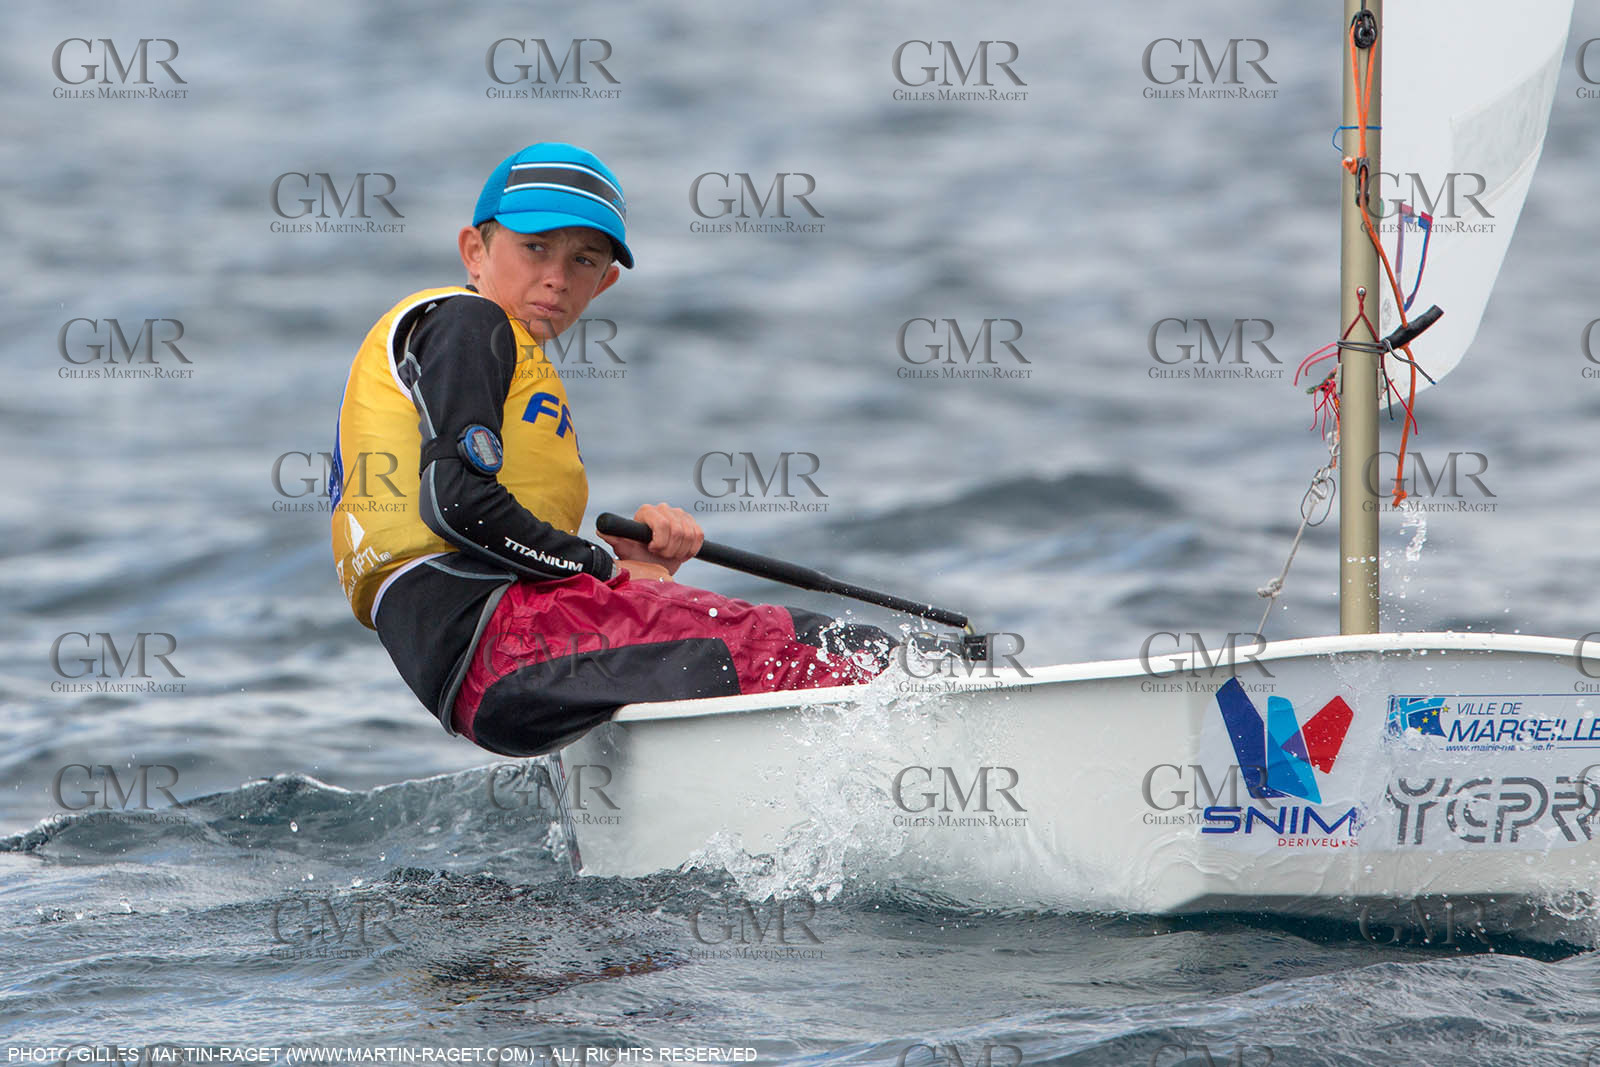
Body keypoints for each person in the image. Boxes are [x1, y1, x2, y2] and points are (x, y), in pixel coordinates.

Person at [331, 142, 893, 756]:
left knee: (747, 640)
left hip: (480, 674)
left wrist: (637, 567)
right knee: (822, 649)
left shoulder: (501, 360)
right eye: (536, 247)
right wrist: (597, 567)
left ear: (604, 284)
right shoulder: (468, 323)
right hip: (504, 642)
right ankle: (952, 704)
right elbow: (459, 506)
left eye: (584, 261)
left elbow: (496, 537)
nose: (556, 277)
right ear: (475, 249)